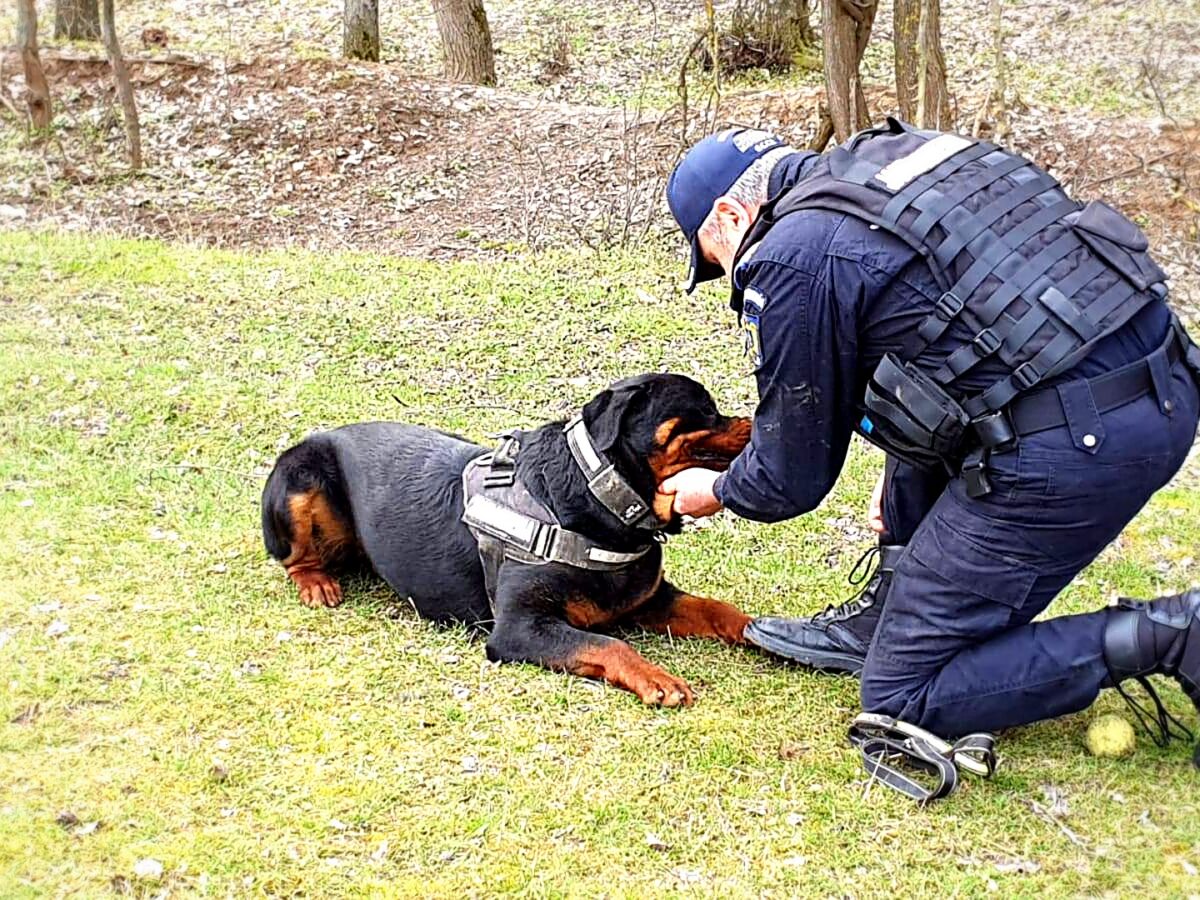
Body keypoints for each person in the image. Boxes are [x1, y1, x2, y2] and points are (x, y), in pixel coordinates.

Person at [659, 121, 1200, 756]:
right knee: (922, 414)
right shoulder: (893, 161)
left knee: (901, 697)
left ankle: (1174, 633)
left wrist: (716, 489)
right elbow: (946, 331)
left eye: (714, 256)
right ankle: (887, 613)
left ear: (729, 215)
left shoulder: (790, 256)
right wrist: (900, 475)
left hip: (1074, 445)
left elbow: (789, 477)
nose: (727, 273)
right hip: (1165, 384)